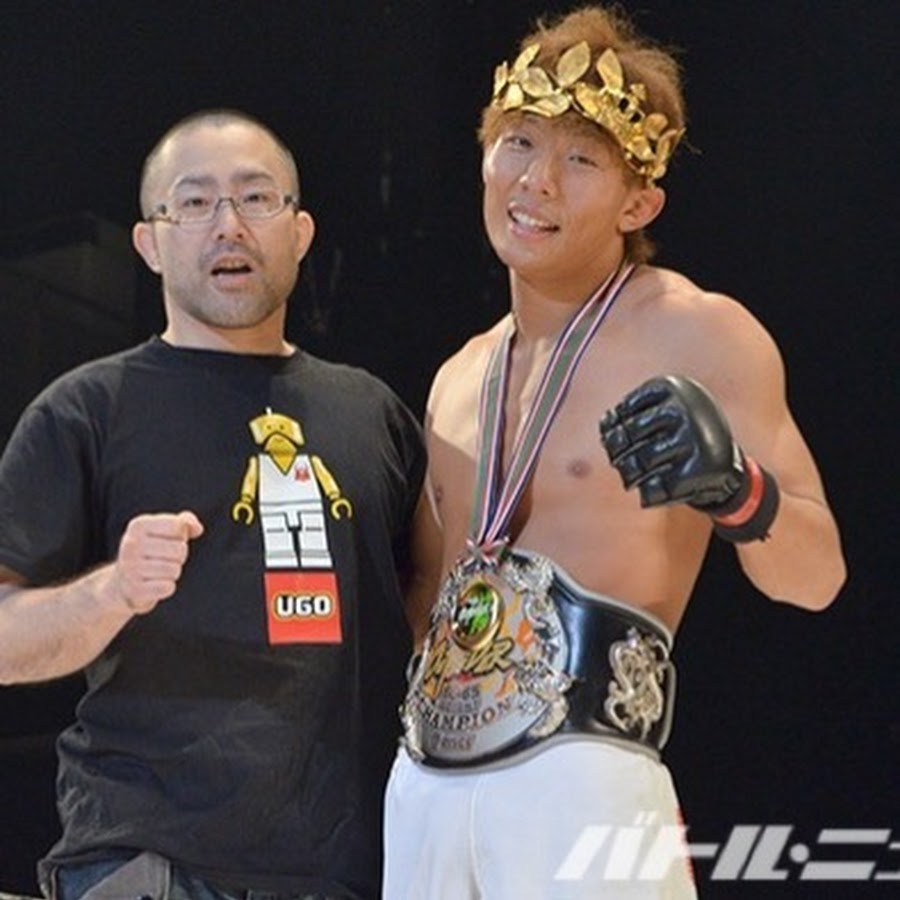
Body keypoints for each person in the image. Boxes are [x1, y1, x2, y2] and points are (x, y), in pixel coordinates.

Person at [383, 6, 846, 899]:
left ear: (639, 203)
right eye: (519, 143)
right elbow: (425, 598)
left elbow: (818, 576)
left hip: (582, 777)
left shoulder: (698, 332)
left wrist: (737, 490)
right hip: (425, 784)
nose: (537, 181)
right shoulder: (457, 377)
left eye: (581, 159)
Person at [0, 109, 427, 900]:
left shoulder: (374, 414)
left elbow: (429, 605)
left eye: (256, 198)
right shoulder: (86, 412)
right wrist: (114, 590)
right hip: (150, 858)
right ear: (149, 243)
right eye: (194, 203)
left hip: (354, 866)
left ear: (300, 231)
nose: (229, 225)